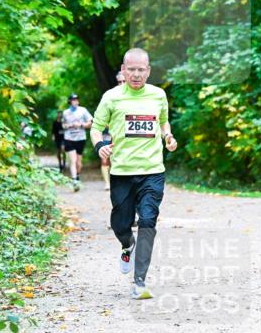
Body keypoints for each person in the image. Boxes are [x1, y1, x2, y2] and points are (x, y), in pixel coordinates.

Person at [90, 48, 177, 299]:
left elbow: (163, 121)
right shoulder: (111, 97)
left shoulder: (158, 95)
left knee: (148, 220)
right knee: (120, 224)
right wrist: (100, 146)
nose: (136, 74)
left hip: (152, 171)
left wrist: (168, 136)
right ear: (123, 70)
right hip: (122, 172)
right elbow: (96, 128)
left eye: (141, 70)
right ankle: (127, 244)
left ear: (148, 71)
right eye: (131, 70)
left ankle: (140, 282)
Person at [100, 69, 126, 192]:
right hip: (107, 134)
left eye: (124, 81)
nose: (122, 84)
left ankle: (119, 182)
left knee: (120, 159)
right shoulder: (110, 96)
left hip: (123, 135)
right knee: (105, 159)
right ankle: (107, 183)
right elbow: (100, 120)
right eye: (119, 82)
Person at [61, 93, 92, 190]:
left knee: (79, 163)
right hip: (69, 138)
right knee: (73, 160)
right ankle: (74, 180)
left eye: (77, 100)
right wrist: (68, 126)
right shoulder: (65, 112)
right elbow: (63, 125)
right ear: (70, 102)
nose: (75, 101)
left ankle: (77, 176)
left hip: (80, 138)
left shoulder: (83, 110)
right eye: (73, 100)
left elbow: (90, 123)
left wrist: (81, 125)